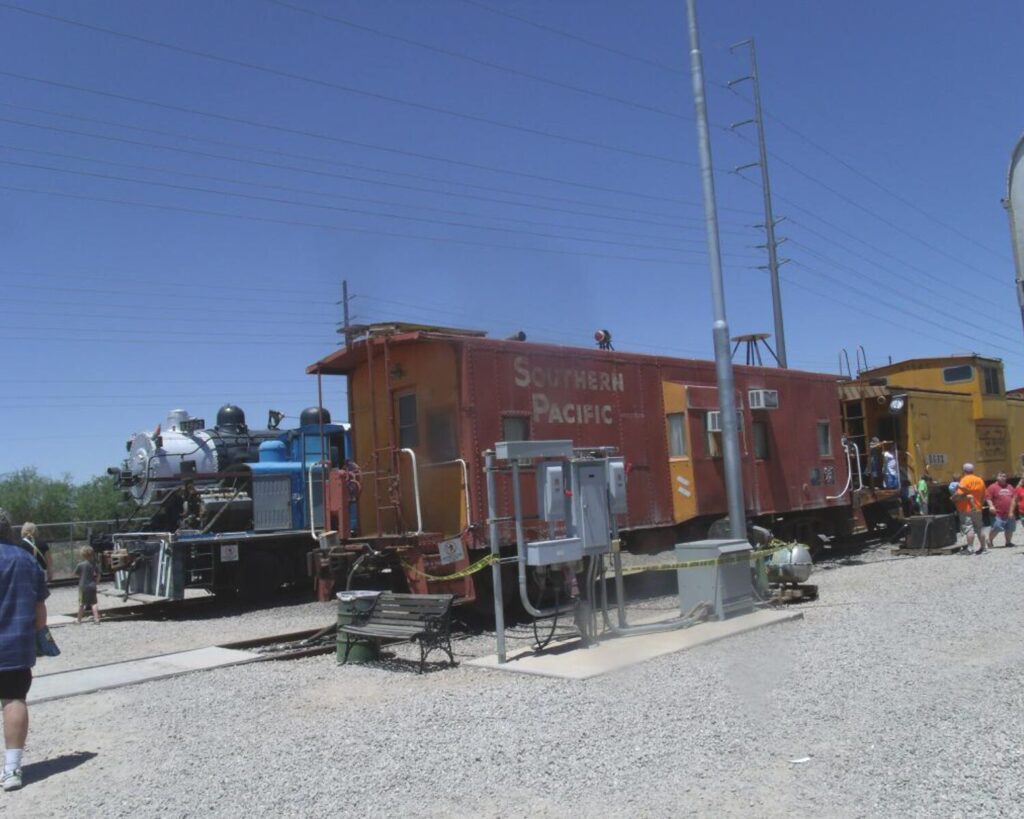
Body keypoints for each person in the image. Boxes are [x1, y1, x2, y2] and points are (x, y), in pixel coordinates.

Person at [0, 509, 49, 792]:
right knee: (14, 700)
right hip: (16, 646)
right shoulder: (25, 560)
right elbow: (40, 612)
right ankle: (13, 769)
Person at [953, 463, 987, 554]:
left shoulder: (964, 480)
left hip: (966, 508)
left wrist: (953, 498)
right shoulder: (980, 480)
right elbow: (984, 495)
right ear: (973, 470)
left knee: (969, 528)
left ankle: (970, 548)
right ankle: (983, 548)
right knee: (980, 528)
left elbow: (959, 494)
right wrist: (979, 505)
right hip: (977, 508)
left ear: (964, 471)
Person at [985, 472, 1016, 549]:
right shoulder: (992, 487)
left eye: (1004, 476)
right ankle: (989, 540)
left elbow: (1014, 498)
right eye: (1000, 476)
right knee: (997, 527)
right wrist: (991, 506)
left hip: (1009, 512)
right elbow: (988, 498)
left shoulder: (1010, 487)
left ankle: (1008, 542)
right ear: (997, 477)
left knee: (1010, 528)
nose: (1002, 477)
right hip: (998, 513)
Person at [74, 546, 100, 625]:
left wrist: (81, 576)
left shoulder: (80, 565)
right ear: (92, 554)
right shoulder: (94, 564)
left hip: (83, 587)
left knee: (82, 604)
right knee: (94, 603)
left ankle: (78, 620)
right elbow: (99, 574)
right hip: (92, 585)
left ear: (82, 555)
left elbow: (75, 574)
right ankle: (96, 619)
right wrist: (96, 582)